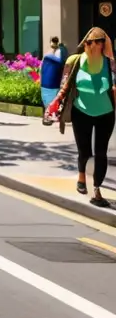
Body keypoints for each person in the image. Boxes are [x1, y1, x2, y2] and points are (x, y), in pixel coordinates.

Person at [49, 27, 115, 207]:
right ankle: (81, 177)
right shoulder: (74, 60)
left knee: (101, 153)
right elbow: (65, 85)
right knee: (84, 151)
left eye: (99, 42)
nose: (93, 46)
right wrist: (55, 102)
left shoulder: (110, 63)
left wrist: (111, 55)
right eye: (89, 42)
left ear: (103, 44)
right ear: (85, 44)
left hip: (106, 114)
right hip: (81, 112)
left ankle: (97, 190)